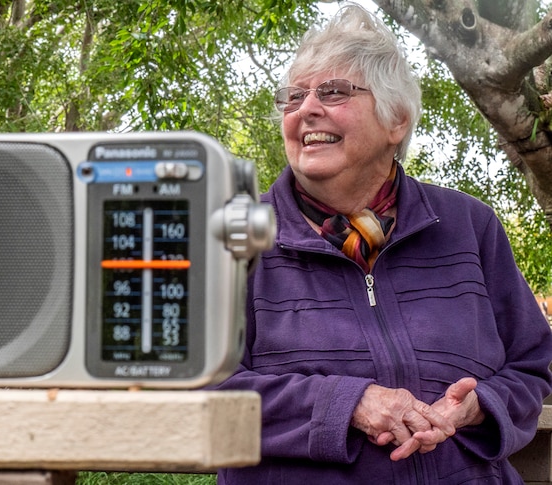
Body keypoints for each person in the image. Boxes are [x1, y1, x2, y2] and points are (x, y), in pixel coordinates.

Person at [214, 3, 552, 483]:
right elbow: (202, 389)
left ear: (396, 121)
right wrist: (348, 404)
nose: (306, 108)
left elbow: (530, 366)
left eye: (333, 92)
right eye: (293, 97)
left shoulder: (469, 226)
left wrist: (477, 407)